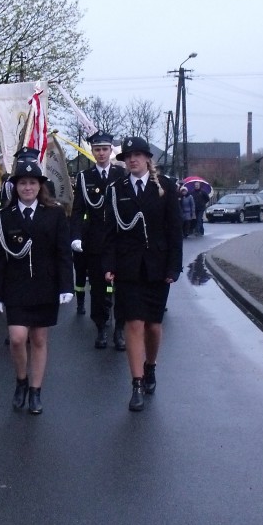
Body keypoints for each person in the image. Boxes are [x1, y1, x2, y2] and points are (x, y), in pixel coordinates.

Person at [102, 135, 183, 411]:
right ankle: (136, 384)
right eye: (128, 156)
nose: (132, 160)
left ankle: (151, 366)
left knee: (153, 326)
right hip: (128, 267)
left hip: (158, 266)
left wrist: (174, 266)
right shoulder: (116, 189)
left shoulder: (165, 187)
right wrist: (108, 265)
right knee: (133, 323)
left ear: (148, 158)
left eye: (137, 155)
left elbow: (174, 229)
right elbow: (110, 232)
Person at [0, 157, 73, 415]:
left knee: (38, 338)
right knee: (17, 339)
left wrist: (66, 286)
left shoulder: (55, 213)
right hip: (15, 286)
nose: (27, 187)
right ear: (15, 187)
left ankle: (36, 391)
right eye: (23, 183)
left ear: (40, 186)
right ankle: (21, 381)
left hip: (45, 285)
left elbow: (63, 252)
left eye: (32, 183)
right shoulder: (4, 216)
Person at [69, 131, 127, 349]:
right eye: (97, 149)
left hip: (119, 240)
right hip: (95, 241)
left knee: (122, 288)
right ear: (92, 152)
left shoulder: (121, 174)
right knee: (98, 288)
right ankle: (101, 328)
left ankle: (119, 330)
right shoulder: (85, 177)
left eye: (104, 149)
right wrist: (75, 236)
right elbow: (77, 210)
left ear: (111, 150)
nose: (101, 153)